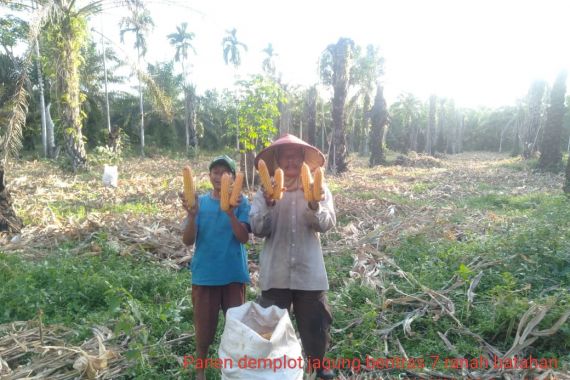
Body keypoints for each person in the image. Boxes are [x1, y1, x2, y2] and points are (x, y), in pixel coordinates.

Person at [249, 134, 337, 380]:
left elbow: (327, 223)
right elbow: (257, 228)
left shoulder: (319, 188)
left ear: (303, 160)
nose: (290, 161)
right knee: (272, 328)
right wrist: (268, 204)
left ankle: (318, 367)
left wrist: (313, 206)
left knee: (316, 323)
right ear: (277, 160)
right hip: (275, 272)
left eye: (295, 156)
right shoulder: (263, 191)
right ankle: (276, 371)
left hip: (309, 271)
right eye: (285, 157)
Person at [180, 155, 250, 380]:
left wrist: (230, 212)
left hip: (233, 276)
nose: (219, 177)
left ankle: (236, 368)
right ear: (209, 176)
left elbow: (243, 238)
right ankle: (200, 370)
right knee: (204, 330)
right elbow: (187, 240)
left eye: (224, 172)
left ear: (232, 177)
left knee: (236, 327)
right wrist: (191, 216)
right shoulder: (199, 203)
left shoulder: (242, 202)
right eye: (215, 172)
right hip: (205, 276)